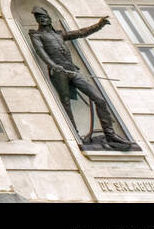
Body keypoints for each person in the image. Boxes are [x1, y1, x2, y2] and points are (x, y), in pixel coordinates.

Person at [30, 8, 135, 150]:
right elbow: (40, 51)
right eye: (38, 17)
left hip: (72, 71)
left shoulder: (59, 34)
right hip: (59, 73)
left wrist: (99, 25)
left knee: (99, 99)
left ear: (49, 18)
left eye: (44, 16)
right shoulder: (36, 35)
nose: (42, 19)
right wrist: (53, 65)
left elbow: (81, 33)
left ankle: (110, 134)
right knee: (65, 103)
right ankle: (74, 135)